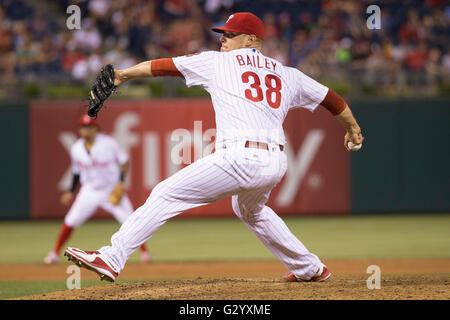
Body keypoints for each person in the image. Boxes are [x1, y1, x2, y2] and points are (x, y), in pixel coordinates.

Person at [65, 12, 364, 282]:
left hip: (240, 157)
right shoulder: (287, 74)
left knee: (166, 193)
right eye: (223, 33)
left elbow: (163, 67)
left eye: (230, 34)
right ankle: (310, 269)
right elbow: (333, 100)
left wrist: (122, 75)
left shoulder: (217, 62)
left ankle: (111, 257)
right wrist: (353, 129)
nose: (223, 39)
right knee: (251, 211)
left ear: (251, 40)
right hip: (275, 162)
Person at [44, 114, 151, 264]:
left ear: (95, 129)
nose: (85, 130)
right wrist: (70, 191)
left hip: (111, 189)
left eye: (88, 127)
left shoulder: (108, 143)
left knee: (131, 221)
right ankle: (54, 253)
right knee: (70, 221)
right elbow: (76, 171)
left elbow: (124, 162)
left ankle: (145, 254)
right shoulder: (76, 148)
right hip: (89, 191)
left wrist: (120, 183)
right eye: (83, 127)